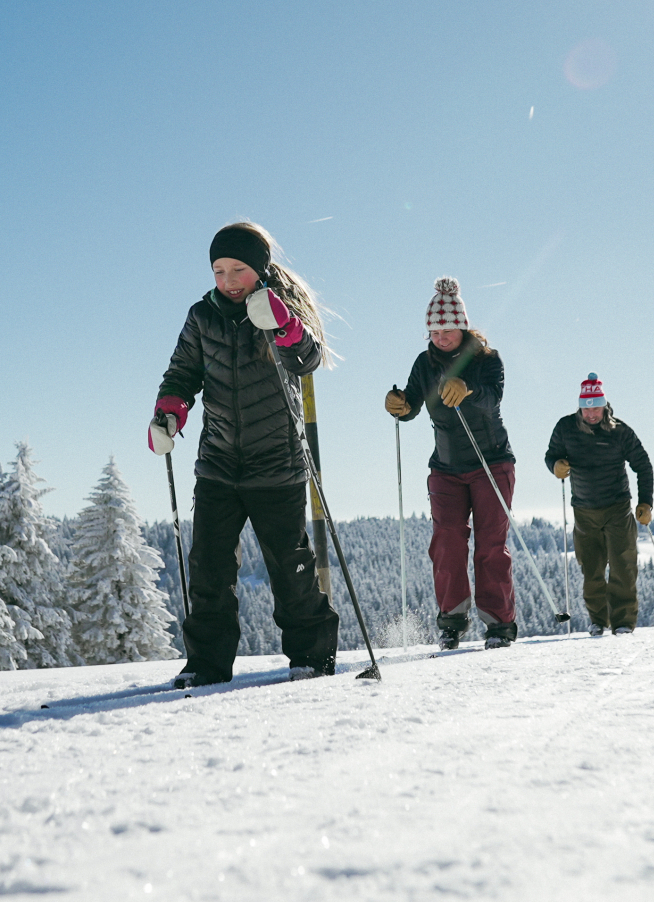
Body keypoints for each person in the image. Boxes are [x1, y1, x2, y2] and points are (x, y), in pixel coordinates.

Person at [150, 221, 341, 686]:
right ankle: (206, 665)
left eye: (239, 269)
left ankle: (311, 656)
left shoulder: (281, 310)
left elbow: (308, 359)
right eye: (219, 270)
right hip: (217, 464)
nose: (229, 280)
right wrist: (169, 412)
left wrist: (281, 324)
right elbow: (181, 374)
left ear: (261, 269)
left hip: (276, 462)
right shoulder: (202, 316)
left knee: (290, 566)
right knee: (210, 569)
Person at [384, 277, 518, 650]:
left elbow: (493, 398)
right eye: (433, 330)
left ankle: (499, 625)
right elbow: (411, 403)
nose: (440, 337)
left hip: (491, 462)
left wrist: (468, 391)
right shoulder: (424, 363)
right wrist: (400, 404)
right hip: (445, 466)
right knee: (447, 542)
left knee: (491, 545)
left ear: (461, 325)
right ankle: (452, 621)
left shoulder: (487, 359)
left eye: (446, 329)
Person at [543, 373, 654, 635]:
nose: (590, 413)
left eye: (595, 407)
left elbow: (643, 465)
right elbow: (552, 455)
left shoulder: (620, 431)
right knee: (591, 569)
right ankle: (598, 621)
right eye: (586, 407)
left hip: (617, 508)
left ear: (604, 405)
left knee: (623, 567)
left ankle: (624, 622)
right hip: (583, 510)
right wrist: (556, 466)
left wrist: (646, 503)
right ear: (579, 406)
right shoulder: (566, 427)